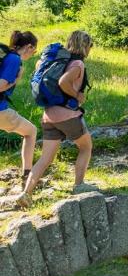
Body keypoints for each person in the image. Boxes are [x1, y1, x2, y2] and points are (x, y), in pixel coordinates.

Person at [17, 30, 97, 207]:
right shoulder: (77, 64)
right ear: (85, 45)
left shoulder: (56, 61)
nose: (90, 50)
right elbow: (62, 82)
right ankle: (79, 185)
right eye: (90, 46)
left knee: (45, 158)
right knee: (86, 147)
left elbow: (39, 67)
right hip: (68, 115)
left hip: (48, 117)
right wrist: (77, 95)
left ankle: (26, 193)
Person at [0, 31, 38, 193]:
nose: (33, 54)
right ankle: (27, 174)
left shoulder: (6, 56)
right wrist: (17, 79)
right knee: (31, 131)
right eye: (34, 51)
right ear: (29, 47)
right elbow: (1, 85)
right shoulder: (14, 59)